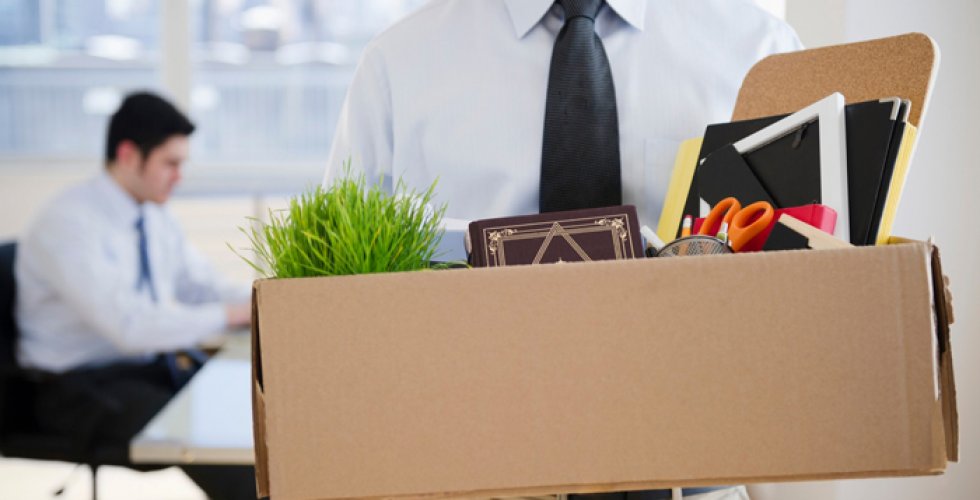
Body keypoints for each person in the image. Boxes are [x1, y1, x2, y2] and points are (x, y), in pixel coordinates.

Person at [324, 1, 802, 498]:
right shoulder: (397, 65)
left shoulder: (760, 53)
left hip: (693, 479)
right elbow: (336, 313)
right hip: (473, 476)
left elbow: (805, 312)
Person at [15, 91, 255, 499]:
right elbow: (130, 326)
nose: (179, 177)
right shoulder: (69, 222)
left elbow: (200, 284)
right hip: (73, 387)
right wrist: (230, 314)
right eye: (170, 164)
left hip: (140, 370)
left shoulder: (152, 214)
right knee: (211, 439)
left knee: (242, 408)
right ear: (128, 155)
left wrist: (264, 300)